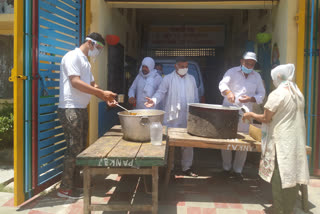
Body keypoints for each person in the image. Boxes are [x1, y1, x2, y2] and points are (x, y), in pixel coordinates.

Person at [57, 32, 117, 199]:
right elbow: (75, 82)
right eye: (97, 48)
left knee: (80, 148)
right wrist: (101, 93)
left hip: (81, 108)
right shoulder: (72, 56)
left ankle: (75, 184)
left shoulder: (85, 61)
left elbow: (92, 84)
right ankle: (65, 189)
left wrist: (105, 97)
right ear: (90, 43)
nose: (97, 51)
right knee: (73, 148)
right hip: (70, 108)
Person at [243, 64, 309, 214]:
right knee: (293, 174)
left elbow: (266, 118)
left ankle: (280, 210)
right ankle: (289, 208)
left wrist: (251, 115)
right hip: (295, 140)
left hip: (281, 142)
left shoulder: (277, 94)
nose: (273, 81)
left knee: (280, 175)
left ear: (278, 77)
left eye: (273, 78)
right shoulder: (297, 93)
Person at [145, 57, 199, 177]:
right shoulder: (168, 79)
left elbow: (195, 98)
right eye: (181, 66)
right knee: (170, 143)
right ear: (176, 66)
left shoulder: (192, 79)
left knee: (188, 143)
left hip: (187, 115)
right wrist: (153, 100)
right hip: (172, 116)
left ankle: (187, 167)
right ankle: (170, 167)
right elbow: (160, 92)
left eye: (186, 66)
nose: (184, 69)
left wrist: (197, 114)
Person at [219, 52, 265, 178]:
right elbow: (223, 84)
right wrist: (228, 93)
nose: (249, 65)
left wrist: (251, 99)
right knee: (227, 139)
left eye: (252, 64)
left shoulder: (257, 76)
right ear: (241, 61)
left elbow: (261, 94)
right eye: (247, 63)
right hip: (229, 110)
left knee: (244, 142)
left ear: (254, 64)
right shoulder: (232, 72)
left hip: (246, 113)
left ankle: (238, 170)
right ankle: (226, 168)